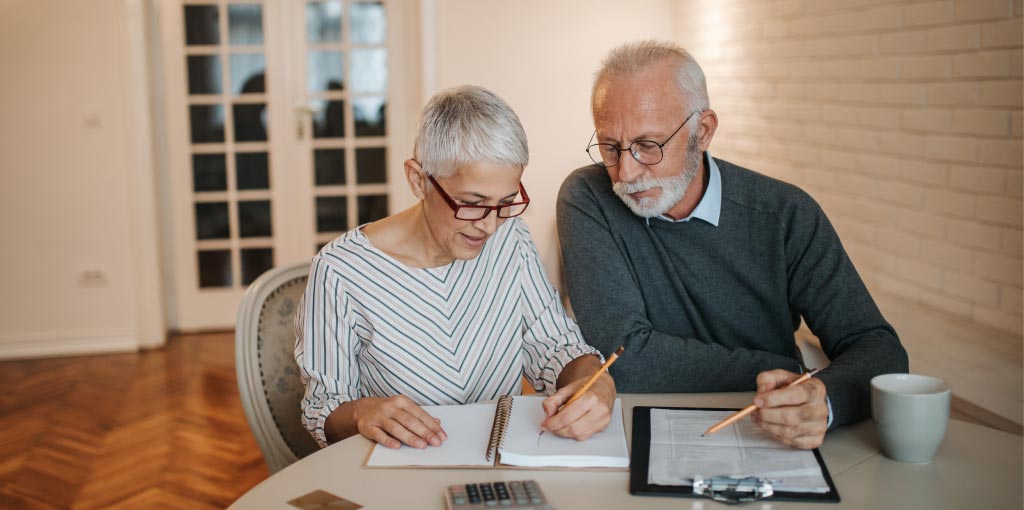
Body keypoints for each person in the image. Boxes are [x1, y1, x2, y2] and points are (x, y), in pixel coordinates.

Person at [557, 41, 908, 450]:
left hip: (769, 435)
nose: (626, 172)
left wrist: (823, 399)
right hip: (633, 433)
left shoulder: (785, 214)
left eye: (648, 146)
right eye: (610, 147)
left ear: (702, 132)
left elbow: (880, 350)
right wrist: (783, 367)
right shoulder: (588, 197)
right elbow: (623, 359)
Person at [296, 85, 616, 450]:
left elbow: (555, 345)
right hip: (401, 472)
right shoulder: (340, 272)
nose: (489, 225)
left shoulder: (510, 238)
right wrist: (360, 413)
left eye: (506, 202)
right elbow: (323, 408)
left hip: (499, 467)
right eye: (472, 203)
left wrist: (594, 379)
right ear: (418, 179)